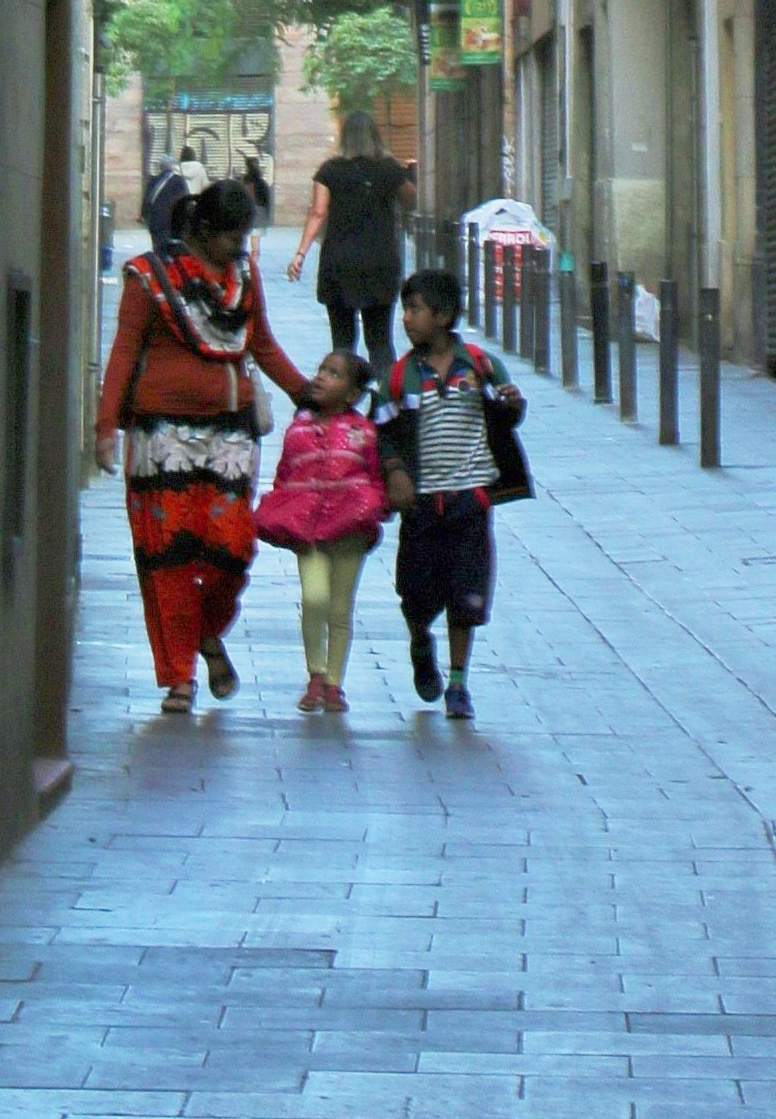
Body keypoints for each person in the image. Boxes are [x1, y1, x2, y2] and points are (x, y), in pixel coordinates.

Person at [91, 170, 310, 709]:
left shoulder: (244, 278)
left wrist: (309, 393)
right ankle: (179, 675)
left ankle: (208, 631)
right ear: (205, 230)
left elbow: (262, 346)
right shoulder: (149, 279)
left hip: (230, 437)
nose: (241, 248)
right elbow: (123, 352)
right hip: (159, 438)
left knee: (230, 550)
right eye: (233, 236)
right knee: (168, 557)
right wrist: (103, 429)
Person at [375, 262, 520, 723]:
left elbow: (507, 410)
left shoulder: (479, 366)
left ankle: (458, 681)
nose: (405, 318)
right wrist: (395, 471)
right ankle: (420, 637)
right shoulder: (400, 377)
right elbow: (380, 431)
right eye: (404, 309)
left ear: (443, 315)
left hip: (468, 500)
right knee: (414, 592)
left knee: (466, 593)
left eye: (414, 310)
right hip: (422, 503)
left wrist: (513, 406)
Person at [253, 347, 393, 712]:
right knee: (315, 597)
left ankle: (333, 682)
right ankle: (315, 672)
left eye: (333, 373)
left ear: (352, 394)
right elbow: (286, 473)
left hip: (351, 528)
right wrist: (281, 505)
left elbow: (375, 475)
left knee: (340, 607)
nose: (320, 377)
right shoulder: (298, 430)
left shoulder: (363, 432)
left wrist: (375, 506)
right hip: (308, 528)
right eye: (321, 369)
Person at [289, 112, 415, 365]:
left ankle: (341, 399)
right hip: (379, 263)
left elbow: (318, 212)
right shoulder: (388, 169)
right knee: (380, 342)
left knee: (343, 343)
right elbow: (411, 199)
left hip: (339, 263)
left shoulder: (330, 171)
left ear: (345, 138)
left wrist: (300, 254)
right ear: (375, 136)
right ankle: (385, 401)